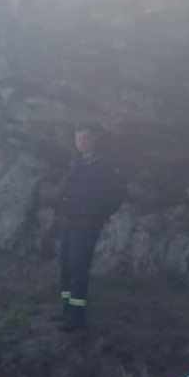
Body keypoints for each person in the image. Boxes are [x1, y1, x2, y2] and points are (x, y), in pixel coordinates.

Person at [55, 125, 127, 331]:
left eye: (86, 139)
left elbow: (117, 194)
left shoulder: (105, 165)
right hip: (70, 220)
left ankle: (77, 317)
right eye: (78, 139)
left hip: (87, 223)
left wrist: (99, 214)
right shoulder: (75, 162)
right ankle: (66, 310)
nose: (82, 143)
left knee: (78, 266)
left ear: (96, 139)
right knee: (66, 265)